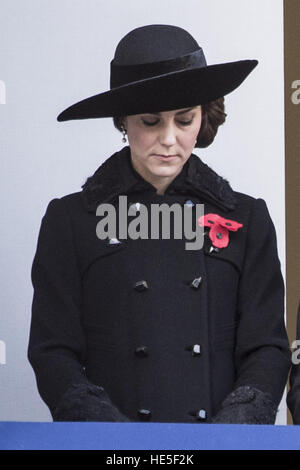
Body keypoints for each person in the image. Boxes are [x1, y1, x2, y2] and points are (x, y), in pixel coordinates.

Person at [28, 24, 291, 424]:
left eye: (184, 121)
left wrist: (230, 436)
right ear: (124, 121)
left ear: (203, 118)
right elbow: (53, 351)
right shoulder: (70, 222)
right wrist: (112, 436)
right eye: (151, 122)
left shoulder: (247, 218)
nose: (169, 140)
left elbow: (267, 349)